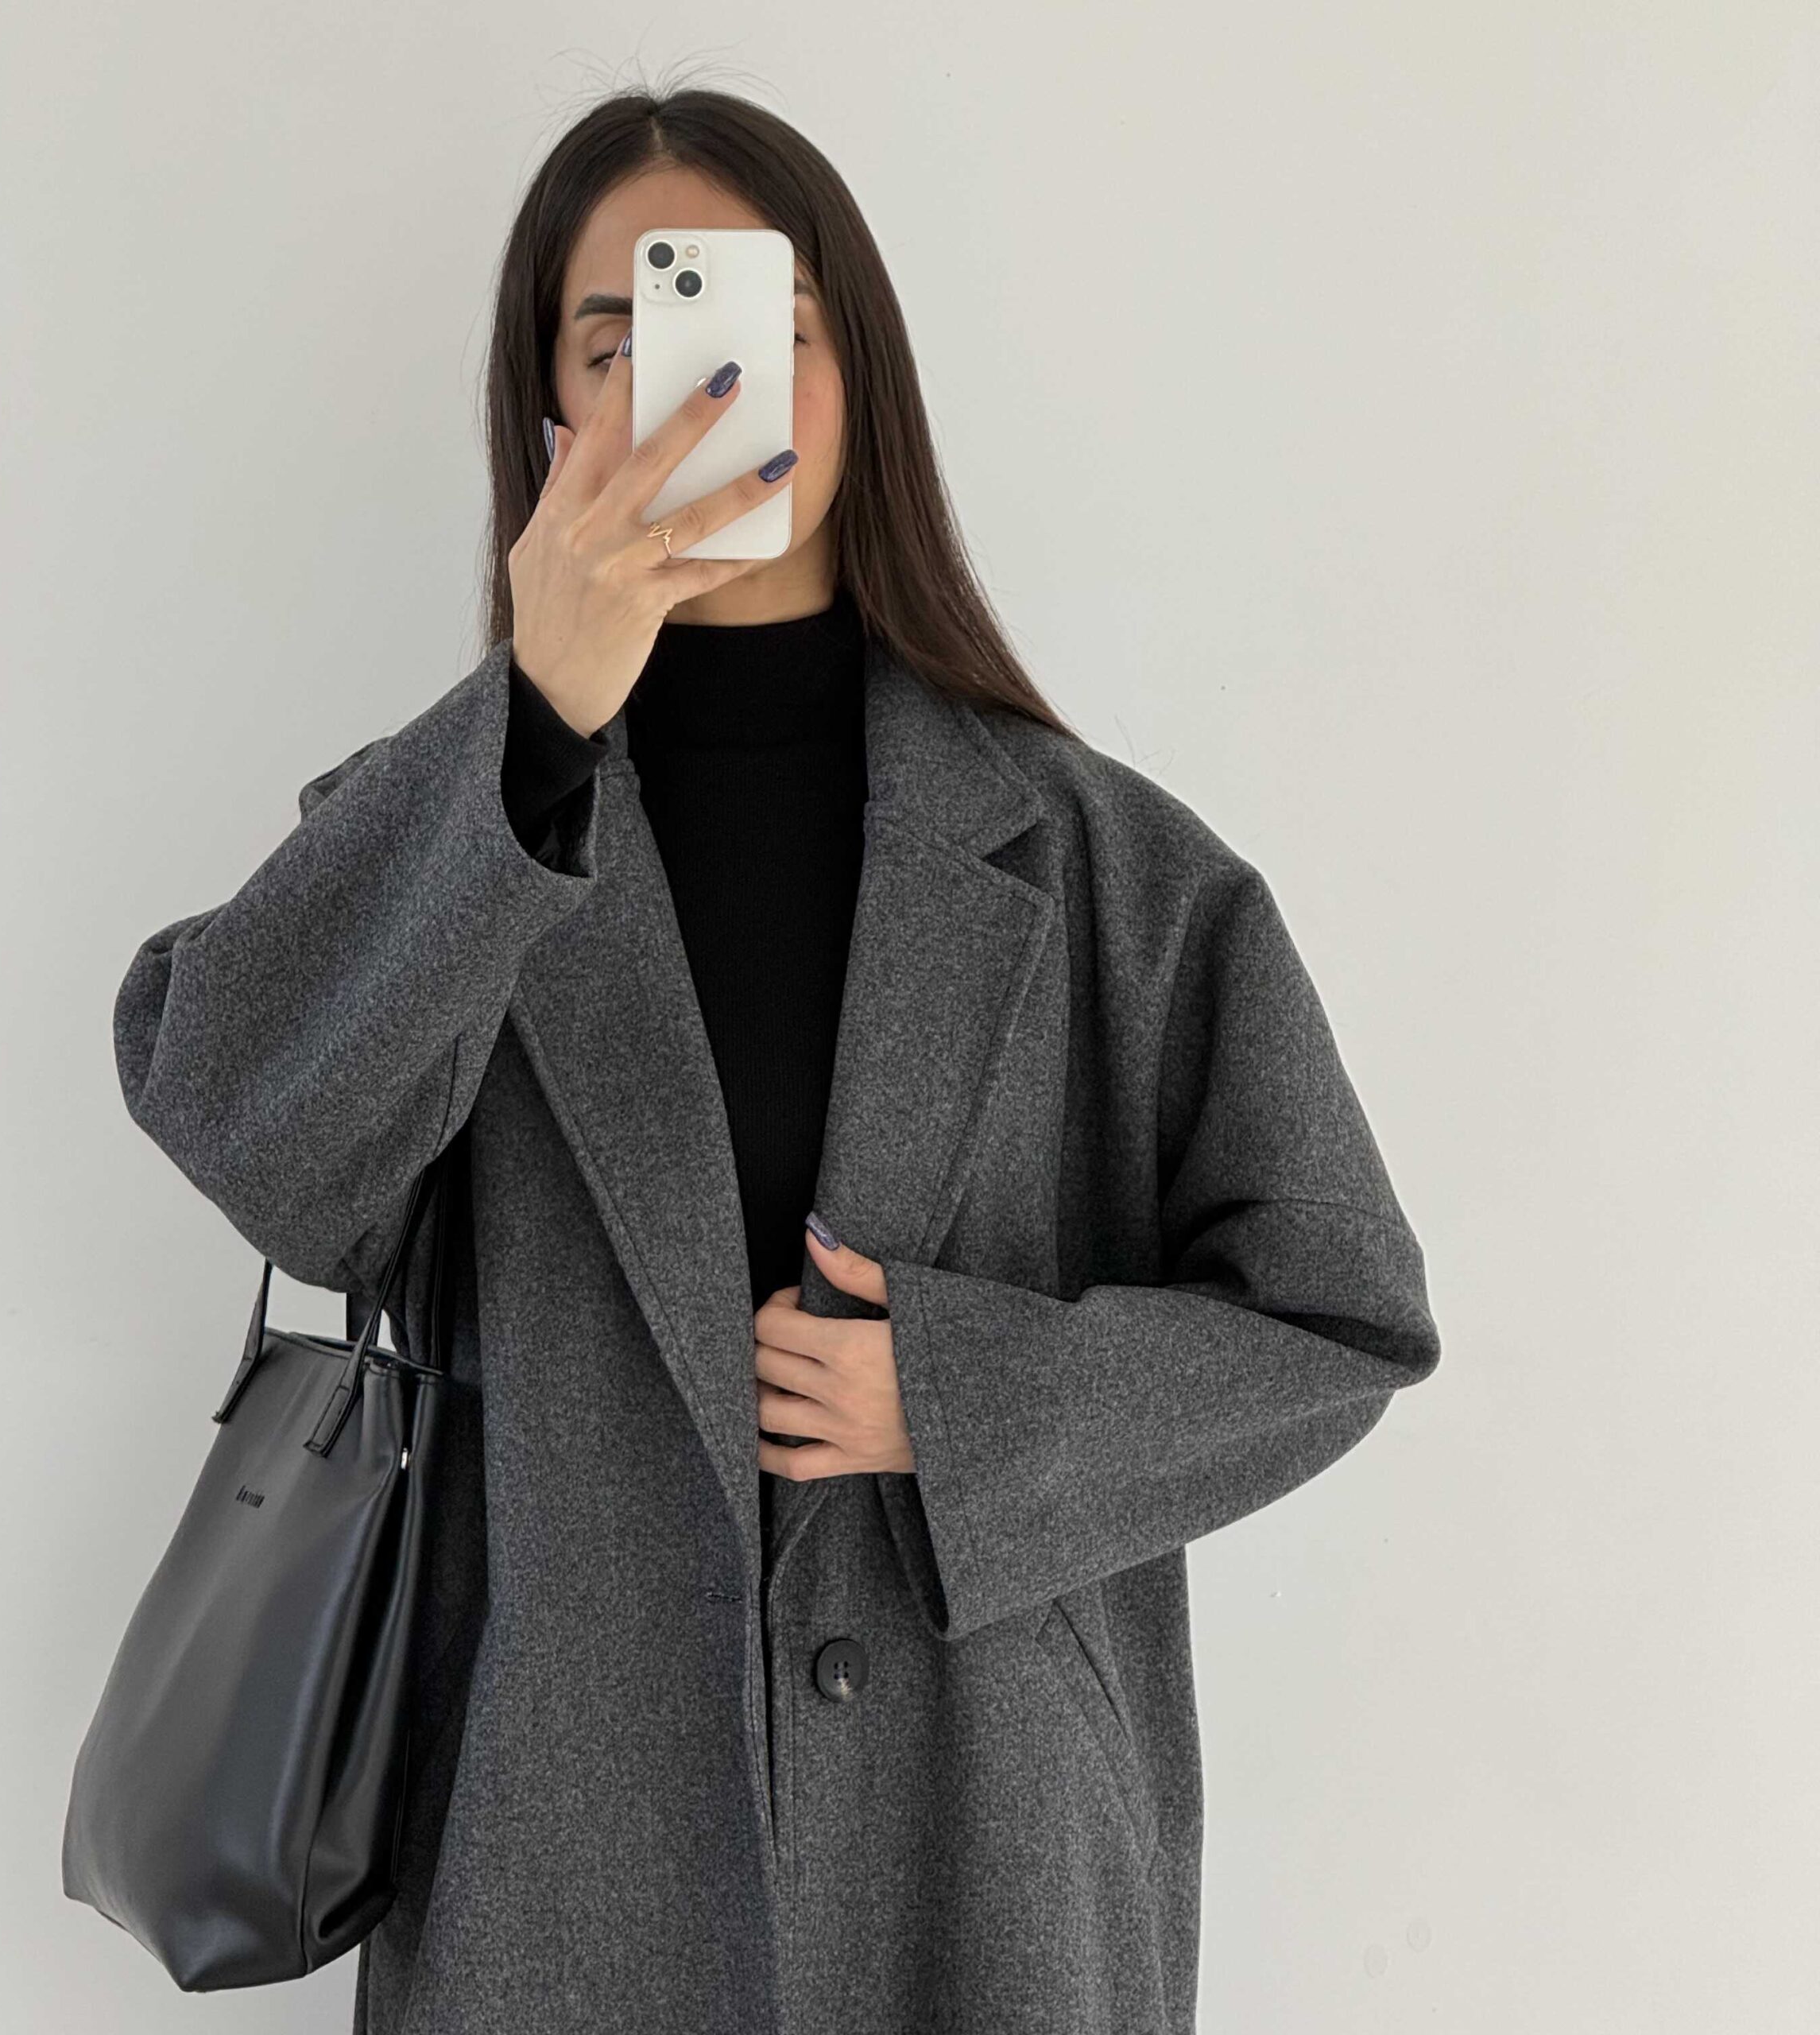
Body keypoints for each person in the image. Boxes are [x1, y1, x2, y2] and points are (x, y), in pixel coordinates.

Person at [111, 84, 1442, 2035]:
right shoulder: (447, 827)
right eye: (617, 338)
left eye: (758, 321)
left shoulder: (1107, 869)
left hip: (981, 1867)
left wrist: (960, 1398)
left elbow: (1338, 1318)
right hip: (553, 1871)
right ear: (545, 418)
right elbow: (242, 1118)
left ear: (853, 380)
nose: (694, 382)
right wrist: (529, 728)